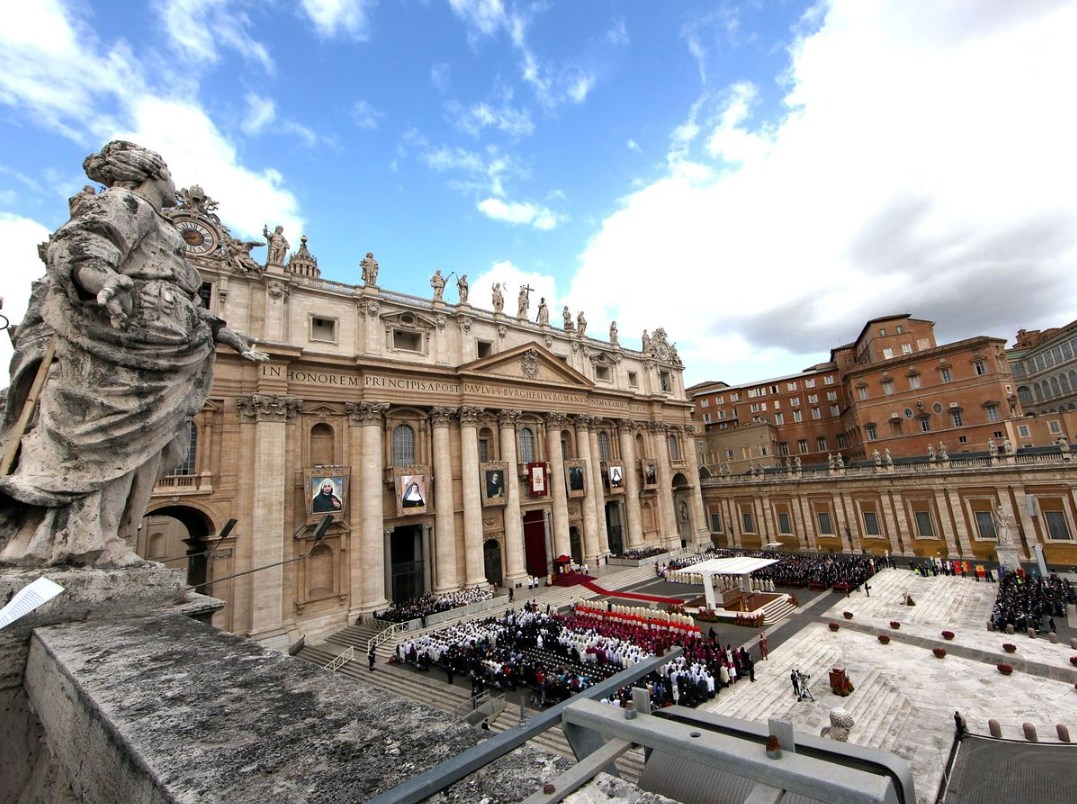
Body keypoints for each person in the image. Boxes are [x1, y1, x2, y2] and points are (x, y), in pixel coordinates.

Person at [0, 140, 267, 566]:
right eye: (169, 172)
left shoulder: (167, 233)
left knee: (154, 450)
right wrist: (100, 278)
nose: (176, 182)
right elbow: (81, 245)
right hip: (123, 343)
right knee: (102, 444)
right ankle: (73, 542)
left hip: (169, 348)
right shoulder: (127, 204)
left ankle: (105, 538)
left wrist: (220, 329)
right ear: (153, 173)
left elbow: (185, 297)